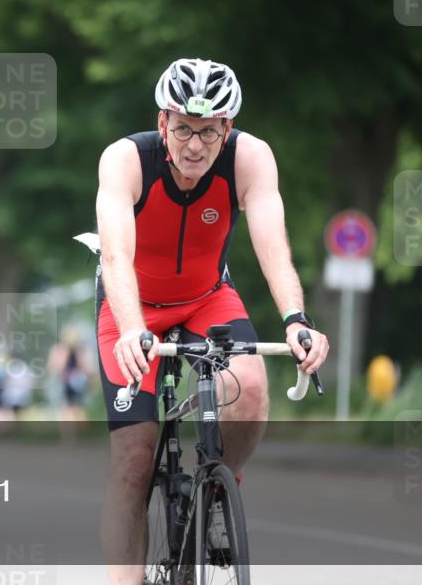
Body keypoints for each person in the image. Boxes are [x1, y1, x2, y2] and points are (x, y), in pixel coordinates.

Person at [94, 58, 330, 583]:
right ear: (162, 124)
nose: (194, 145)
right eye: (182, 128)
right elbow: (115, 256)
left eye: (207, 130)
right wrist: (133, 329)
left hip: (207, 297)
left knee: (249, 387)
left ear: (227, 129)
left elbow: (273, 246)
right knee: (133, 461)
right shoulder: (126, 160)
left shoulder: (251, 158)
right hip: (132, 303)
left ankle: (221, 490)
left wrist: (296, 319)